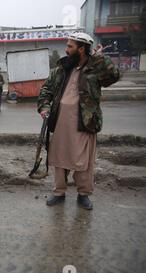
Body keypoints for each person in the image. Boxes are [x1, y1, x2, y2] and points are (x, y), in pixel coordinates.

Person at [37, 32, 120, 210]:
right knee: (59, 157)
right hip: (60, 121)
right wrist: (44, 107)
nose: (66, 50)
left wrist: (100, 59)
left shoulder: (95, 69)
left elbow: (113, 76)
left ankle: (83, 195)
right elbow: (45, 90)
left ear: (81, 49)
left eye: (70, 46)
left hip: (85, 121)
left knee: (83, 161)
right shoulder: (62, 68)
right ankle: (59, 192)